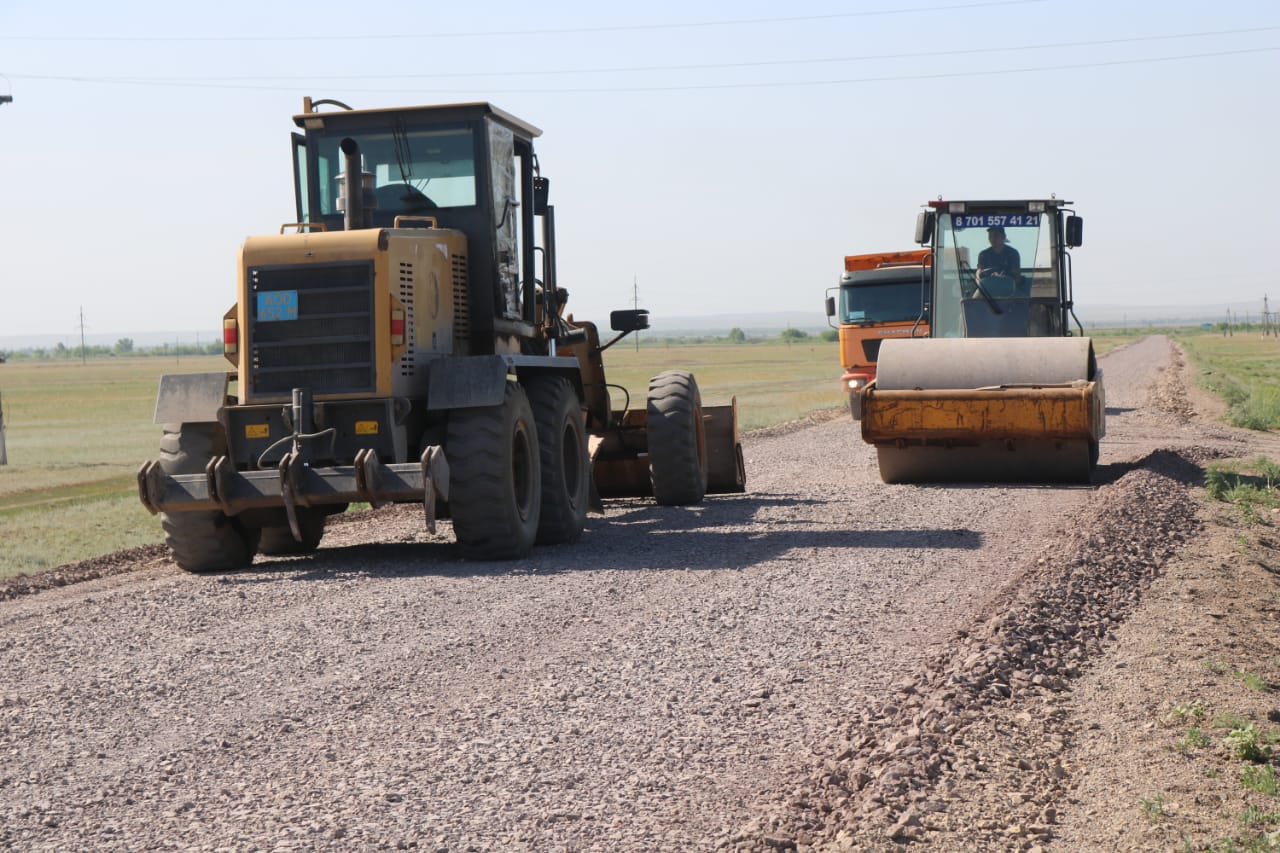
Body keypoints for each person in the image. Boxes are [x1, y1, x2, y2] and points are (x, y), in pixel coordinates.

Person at [975, 225, 1022, 296]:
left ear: (1003, 237)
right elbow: (979, 273)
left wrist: (1002, 278)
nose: (992, 238)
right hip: (987, 290)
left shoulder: (1013, 253)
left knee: (1023, 300)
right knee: (973, 300)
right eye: (990, 236)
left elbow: (1017, 275)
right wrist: (982, 278)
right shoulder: (983, 254)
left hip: (1009, 288)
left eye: (995, 235)